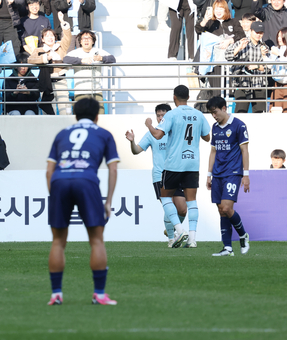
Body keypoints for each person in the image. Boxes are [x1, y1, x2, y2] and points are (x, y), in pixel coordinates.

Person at [46, 97, 119, 306]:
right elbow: (113, 168)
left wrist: (55, 195)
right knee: (96, 239)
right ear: (97, 116)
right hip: (86, 181)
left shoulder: (62, 134)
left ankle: (56, 294)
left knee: (58, 241)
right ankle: (99, 294)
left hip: (59, 181)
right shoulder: (104, 134)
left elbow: (49, 171)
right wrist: (108, 200)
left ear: (75, 115)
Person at [145, 85, 211, 248]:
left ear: (174, 97)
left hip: (174, 163)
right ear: (188, 97)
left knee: (165, 196)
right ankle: (193, 239)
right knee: (192, 201)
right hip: (192, 163)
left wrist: (149, 125)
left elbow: (158, 135)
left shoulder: (171, 114)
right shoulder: (198, 114)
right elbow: (207, 137)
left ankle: (180, 230)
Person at [125, 104, 187, 248]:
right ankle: (172, 239)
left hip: (175, 175)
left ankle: (170, 229)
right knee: (168, 206)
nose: (160, 118)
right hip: (159, 176)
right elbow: (136, 151)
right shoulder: (152, 134)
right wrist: (132, 142)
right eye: (158, 115)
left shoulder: (176, 132)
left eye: (163, 115)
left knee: (182, 209)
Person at [206, 96, 250, 257]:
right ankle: (227, 248)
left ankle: (243, 235)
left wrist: (246, 175)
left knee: (226, 207)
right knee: (221, 210)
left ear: (224, 108)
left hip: (233, 172)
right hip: (217, 173)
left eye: (215, 112)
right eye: (211, 113)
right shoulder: (215, 127)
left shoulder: (239, 125)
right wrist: (209, 174)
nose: (214, 116)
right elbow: (213, 151)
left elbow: (245, 151)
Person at [196, 0, 245, 98]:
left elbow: (241, 35)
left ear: (226, 9)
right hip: (215, 62)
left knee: (231, 92)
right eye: (216, 9)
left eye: (221, 8)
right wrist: (205, 19)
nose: (218, 11)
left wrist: (230, 40)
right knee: (217, 93)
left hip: (231, 60)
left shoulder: (233, 21)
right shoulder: (210, 23)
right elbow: (198, 30)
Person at [28, 11, 72, 115]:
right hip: (46, 82)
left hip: (61, 80)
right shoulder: (39, 50)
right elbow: (30, 60)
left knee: (65, 109)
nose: (50, 37)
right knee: (48, 111)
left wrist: (62, 21)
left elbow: (68, 37)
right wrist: (45, 58)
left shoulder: (61, 46)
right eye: (47, 36)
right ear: (42, 39)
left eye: (52, 35)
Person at [63, 30, 116, 115]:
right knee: (80, 116)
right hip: (80, 91)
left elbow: (112, 59)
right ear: (80, 41)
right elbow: (65, 59)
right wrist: (81, 60)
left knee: (100, 116)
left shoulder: (98, 51)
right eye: (84, 38)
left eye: (89, 38)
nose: (86, 40)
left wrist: (101, 58)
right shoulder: (76, 52)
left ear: (93, 41)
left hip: (96, 91)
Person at [225, 21, 269, 113]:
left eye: (261, 32)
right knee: (240, 112)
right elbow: (227, 56)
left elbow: (268, 68)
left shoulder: (264, 47)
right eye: (256, 32)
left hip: (259, 83)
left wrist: (255, 66)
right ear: (251, 31)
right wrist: (239, 48)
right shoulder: (242, 42)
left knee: (260, 114)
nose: (258, 35)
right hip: (242, 83)